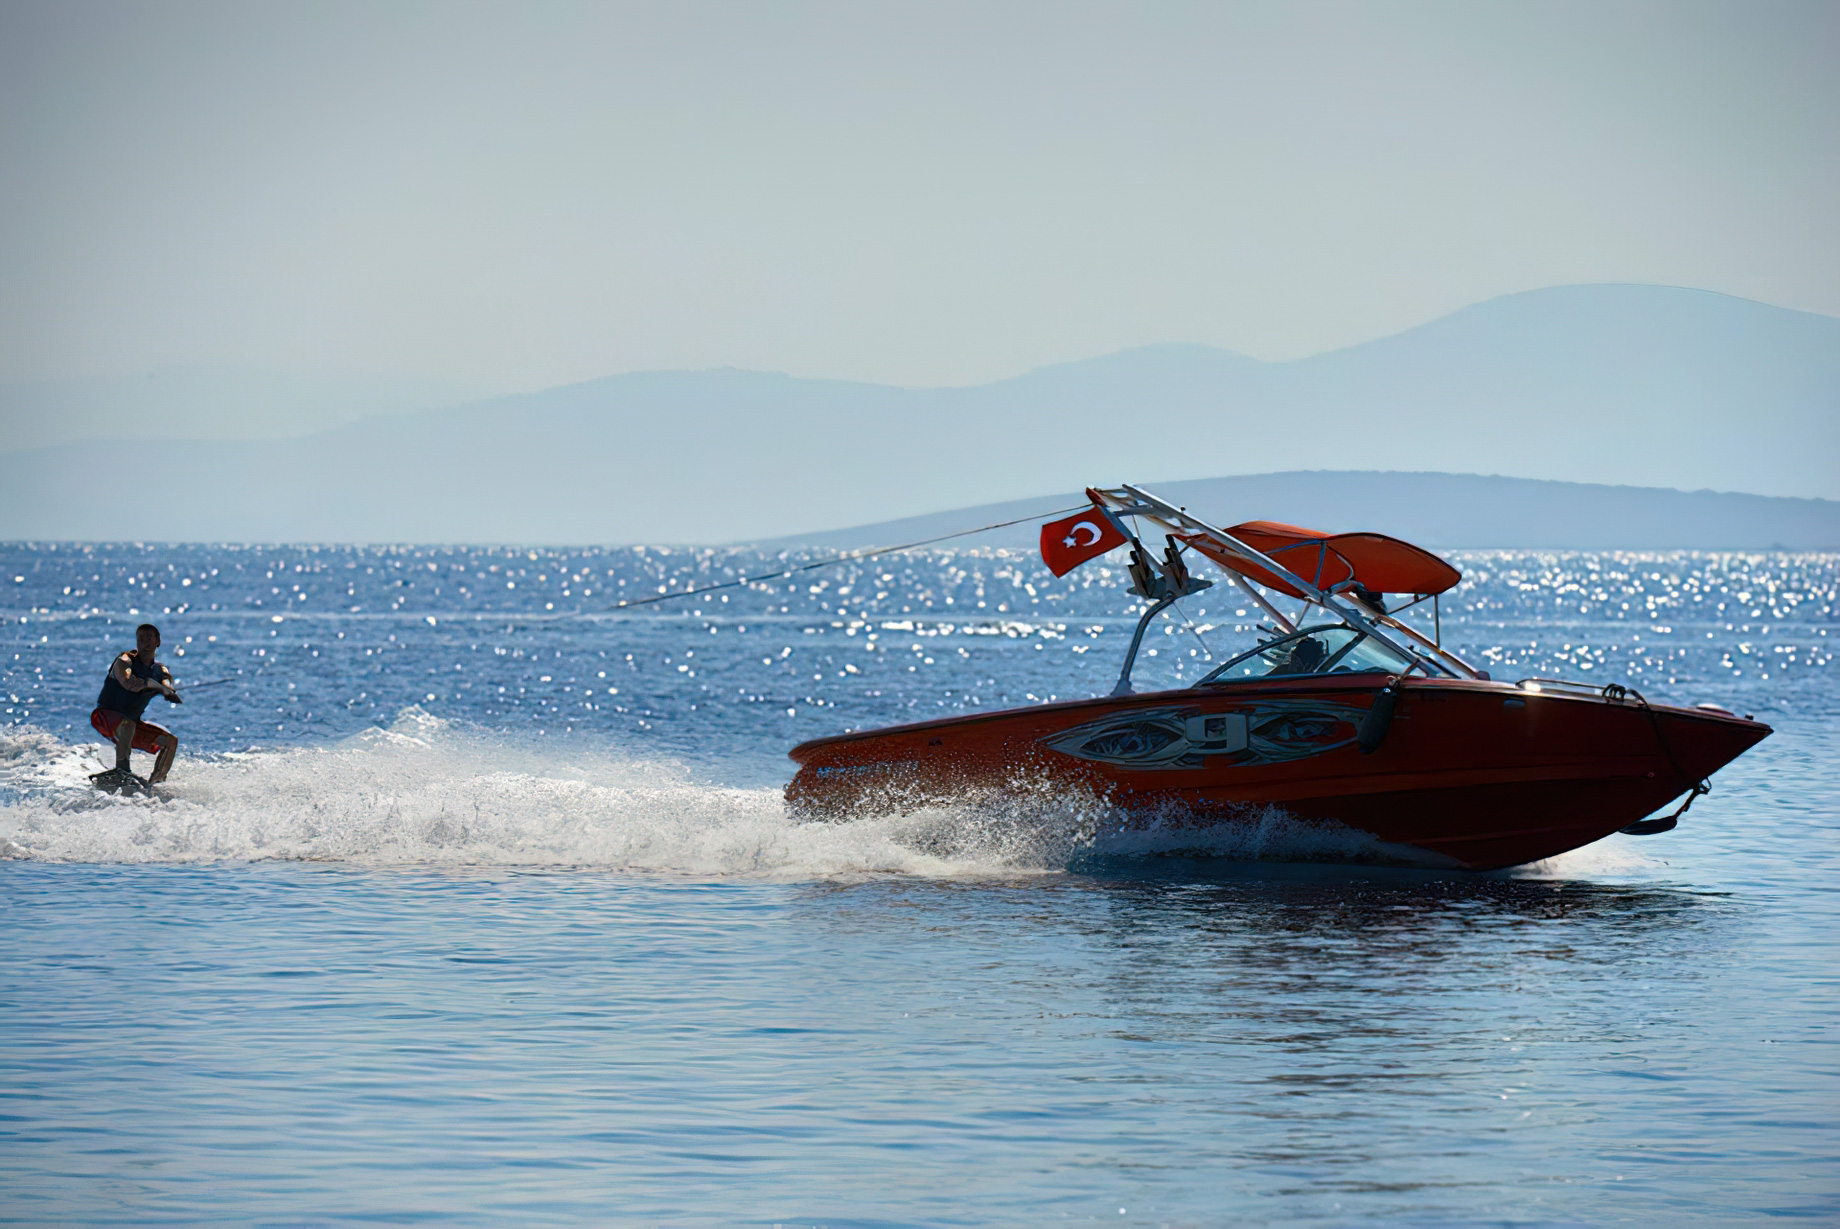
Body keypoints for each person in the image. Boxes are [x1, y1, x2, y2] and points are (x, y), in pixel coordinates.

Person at [90, 623, 181, 790]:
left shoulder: (160, 670)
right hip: (106, 717)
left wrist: (168, 690)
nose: (144, 643)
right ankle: (122, 770)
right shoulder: (124, 661)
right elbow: (129, 683)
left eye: (149, 639)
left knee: (170, 742)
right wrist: (156, 687)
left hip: (131, 725)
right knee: (127, 723)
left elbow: (166, 681)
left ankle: (154, 783)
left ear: (158, 642)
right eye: (140, 639)